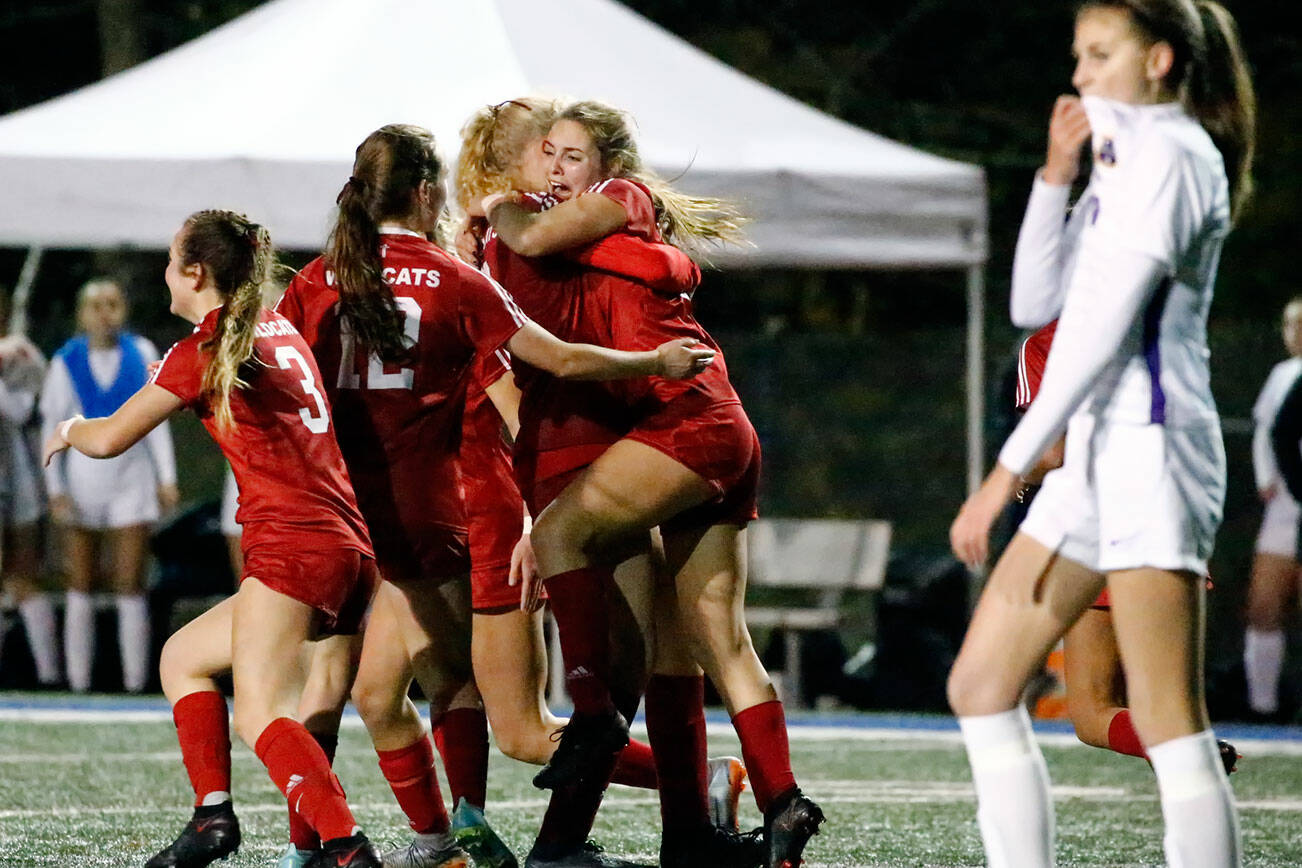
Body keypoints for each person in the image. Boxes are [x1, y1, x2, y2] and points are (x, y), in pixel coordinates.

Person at [276, 123, 716, 868]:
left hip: (386, 525)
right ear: (425, 193)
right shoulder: (454, 280)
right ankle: (436, 837)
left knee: (473, 714)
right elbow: (553, 364)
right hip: (421, 524)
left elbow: (285, 391)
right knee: (379, 694)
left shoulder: (317, 282)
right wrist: (656, 357)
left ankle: (436, 835)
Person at [947, 1, 1255, 865]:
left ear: (1158, 60)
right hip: (1095, 456)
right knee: (980, 684)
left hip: (1156, 453)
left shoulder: (1177, 156)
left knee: (1167, 718)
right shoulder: (1118, 162)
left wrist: (1003, 471)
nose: (1080, 75)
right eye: (1077, 54)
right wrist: (1056, 172)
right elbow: (1033, 307)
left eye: (1101, 54)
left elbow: (1105, 330)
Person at [483, 100, 822, 868]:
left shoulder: (601, 207)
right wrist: (664, 262)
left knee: (565, 541)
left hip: (682, 422)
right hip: (701, 427)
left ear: (610, 168)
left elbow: (546, 245)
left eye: (574, 157)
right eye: (550, 156)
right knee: (704, 644)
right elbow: (652, 268)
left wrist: (500, 214)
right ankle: (778, 803)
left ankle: (592, 729)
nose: (558, 171)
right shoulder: (592, 236)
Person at [43, 210, 388, 868]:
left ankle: (347, 850)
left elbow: (111, 438)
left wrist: (69, 429)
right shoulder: (276, 326)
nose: (164, 274)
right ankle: (214, 819)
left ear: (196, 273)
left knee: (260, 716)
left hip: (294, 545)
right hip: (349, 544)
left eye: (171, 261)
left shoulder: (207, 345)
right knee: (188, 660)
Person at [1016, 321, 1237, 774]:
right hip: (1174, 519)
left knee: (1092, 712)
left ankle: (1183, 751)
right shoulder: (1167, 329)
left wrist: (1017, 474)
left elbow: (1049, 454)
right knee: (1176, 709)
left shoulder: (1049, 342)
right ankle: (1190, 757)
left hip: (1100, 532)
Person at [40, 278, 178, 693]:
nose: (104, 312)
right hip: (81, 482)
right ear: (82, 314)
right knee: (80, 583)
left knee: (129, 583)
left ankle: (135, 682)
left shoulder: (142, 354)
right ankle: (77, 683)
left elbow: (156, 421)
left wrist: (166, 478)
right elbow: (53, 426)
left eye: (113, 303)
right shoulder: (66, 361)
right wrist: (55, 489)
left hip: (130, 481)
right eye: (95, 305)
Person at [1243, 296, 1302, 718]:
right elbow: (1269, 432)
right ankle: (1262, 707)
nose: (1295, 333)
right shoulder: (1283, 375)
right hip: (1287, 505)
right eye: (1289, 325)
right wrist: (1268, 479)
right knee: (1265, 603)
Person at [0, 286, 60, 688]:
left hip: (15, 477)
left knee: (23, 574)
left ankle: (52, 676)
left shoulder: (20, 354)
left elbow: (20, 409)